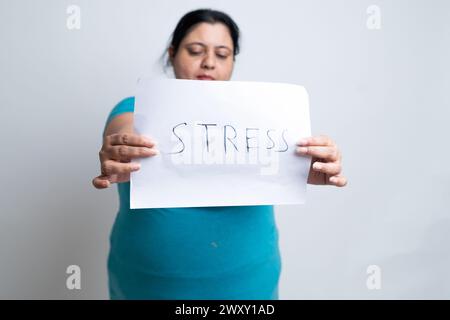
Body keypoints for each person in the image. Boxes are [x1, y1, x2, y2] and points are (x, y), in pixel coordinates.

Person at [92, 9, 347, 300]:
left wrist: (305, 165)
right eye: (195, 50)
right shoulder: (136, 109)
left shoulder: (263, 115)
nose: (209, 63)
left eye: (222, 54)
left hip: (248, 284)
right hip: (147, 284)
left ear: (232, 62)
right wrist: (120, 148)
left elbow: (294, 152)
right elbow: (122, 130)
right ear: (173, 53)